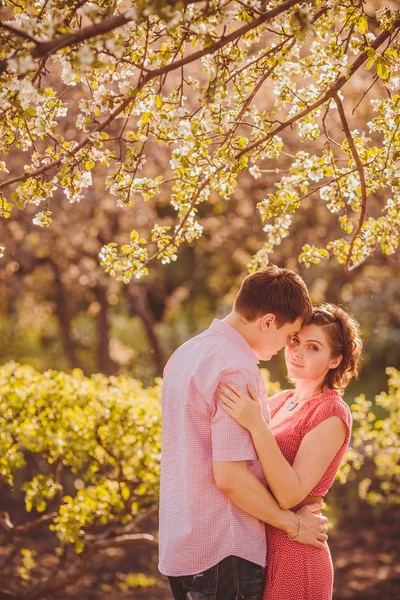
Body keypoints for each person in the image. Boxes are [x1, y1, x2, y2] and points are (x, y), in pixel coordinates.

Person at [159, 266, 329, 600]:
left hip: (181, 545)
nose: (288, 345)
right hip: (225, 549)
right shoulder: (237, 368)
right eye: (289, 334)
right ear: (268, 321)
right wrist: (293, 526)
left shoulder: (186, 353)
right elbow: (231, 477)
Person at [219, 303, 362, 600]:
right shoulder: (280, 401)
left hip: (298, 554)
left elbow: (289, 495)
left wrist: (257, 426)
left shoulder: (332, 412)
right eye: (295, 341)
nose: (297, 352)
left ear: (335, 360)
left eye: (313, 347)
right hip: (261, 544)